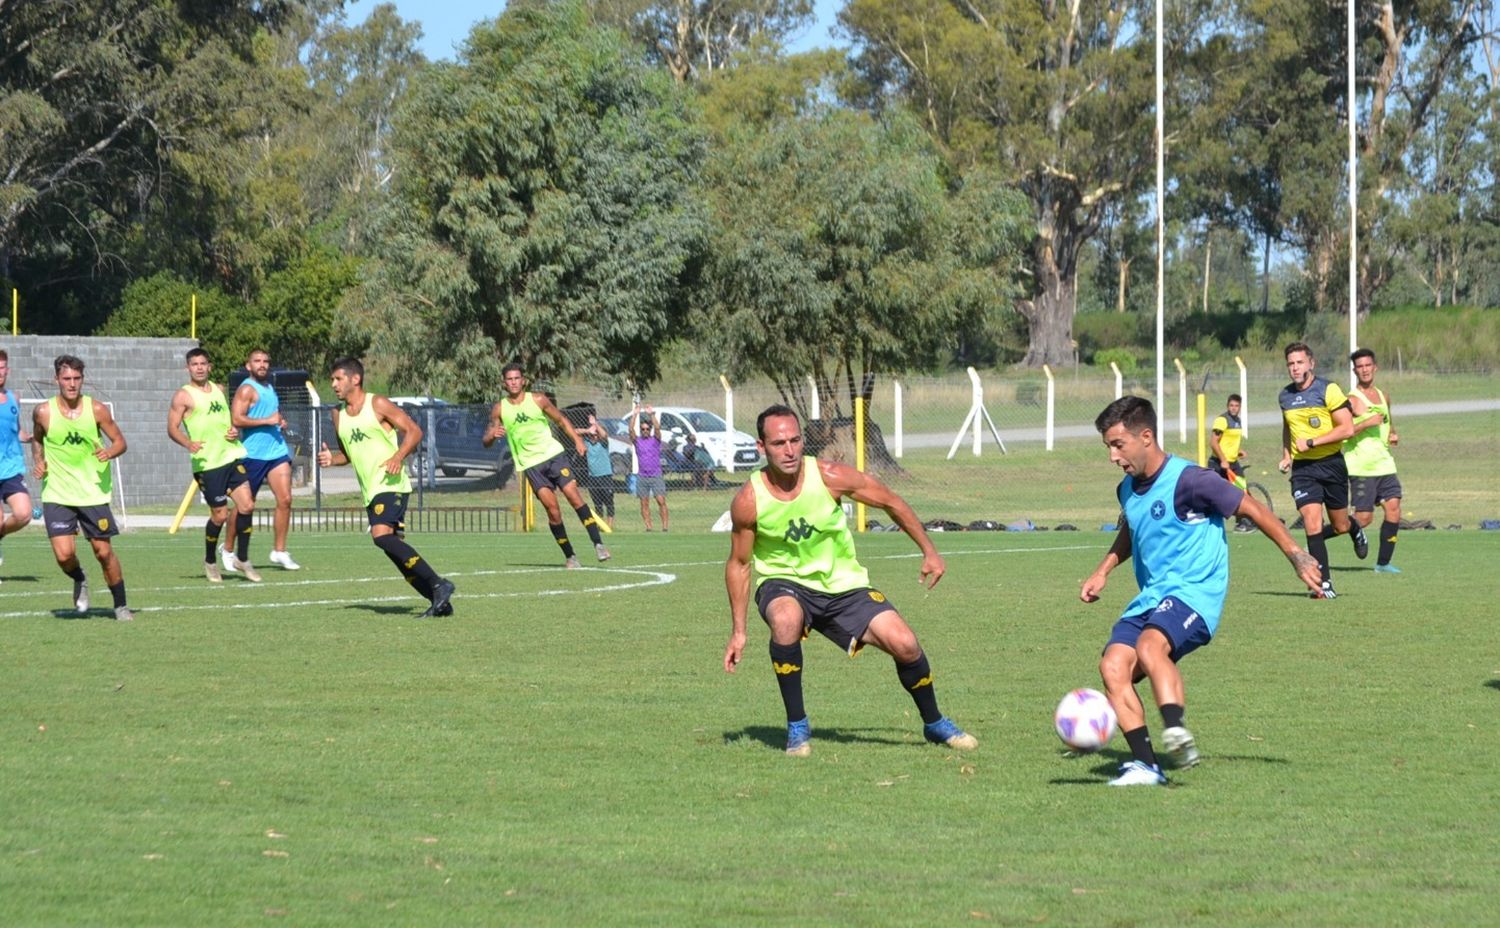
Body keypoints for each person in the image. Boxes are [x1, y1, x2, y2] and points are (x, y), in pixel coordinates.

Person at [1082, 397, 1322, 786]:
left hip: (1195, 592)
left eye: (1117, 444)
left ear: (1146, 437)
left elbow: (1254, 509)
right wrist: (1103, 570)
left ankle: (1175, 730)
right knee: (1112, 666)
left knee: (1149, 646)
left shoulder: (1191, 481)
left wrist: (1296, 554)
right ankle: (1146, 767)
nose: (1112, 455)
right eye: (1107, 446)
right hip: (1152, 596)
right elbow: (1132, 530)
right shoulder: (1126, 489)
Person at [722, 404, 977, 757]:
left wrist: (929, 551)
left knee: (905, 643)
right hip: (784, 582)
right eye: (779, 443)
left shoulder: (829, 476)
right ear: (761, 447)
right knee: (785, 620)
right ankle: (797, 726)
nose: (790, 450)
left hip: (844, 585)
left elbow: (891, 501)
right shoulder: (749, 500)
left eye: (795, 440)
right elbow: (739, 563)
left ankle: (933, 722)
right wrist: (739, 631)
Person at [315, 357, 455, 617]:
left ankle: (439, 583)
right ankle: (438, 601)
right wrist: (331, 459)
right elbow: (347, 454)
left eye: (338, 378)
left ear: (355, 379)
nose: (333, 384)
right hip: (370, 490)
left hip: (391, 484)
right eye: (332, 379)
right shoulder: (337, 415)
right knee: (393, 550)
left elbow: (414, 431)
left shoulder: (377, 403)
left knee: (381, 536)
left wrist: (397, 457)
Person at [31, 355, 135, 620]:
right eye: (67, 379)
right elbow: (38, 439)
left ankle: (120, 605)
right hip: (57, 491)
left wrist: (110, 452)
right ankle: (79, 578)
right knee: (64, 555)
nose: (72, 384)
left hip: (92, 491)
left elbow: (120, 441)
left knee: (103, 551)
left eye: (77, 378)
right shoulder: (43, 411)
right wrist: (38, 461)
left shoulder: (97, 409)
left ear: (83, 380)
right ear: (57, 380)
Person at [483, 363, 609, 568]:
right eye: (509, 379)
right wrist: (491, 435)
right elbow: (486, 440)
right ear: (504, 383)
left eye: (517, 378)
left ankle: (598, 544)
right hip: (531, 465)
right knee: (553, 511)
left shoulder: (538, 399)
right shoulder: (500, 409)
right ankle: (570, 556)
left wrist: (577, 440)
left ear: (523, 380)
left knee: (573, 496)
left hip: (553, 456)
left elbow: (561, 419)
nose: (514, 382)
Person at [1277, 341, 1367, 598]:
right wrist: (1287, 455)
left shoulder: (1328, 390)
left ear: (1311, 363)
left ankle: (1354, 528)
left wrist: (1312, 442)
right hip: (1304, 469)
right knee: (1312, 522)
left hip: (1332, 465)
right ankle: (1323, 584)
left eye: (1299, 362)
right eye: (1291, 364)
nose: (1295, 368)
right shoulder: (1285, 396)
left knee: (1339, 525)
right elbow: (1288, 427)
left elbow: (1347, 429)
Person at [167, 348, 258, 582]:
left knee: (247, 505)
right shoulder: (183, 396)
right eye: (194, 364)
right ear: (188, 368)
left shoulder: (219, 390)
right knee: (220, 516)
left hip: (230, 456)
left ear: (210, 366)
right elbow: (172, 428)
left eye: (203, 363)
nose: (199, 367)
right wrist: (188, 443)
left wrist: (233, 430)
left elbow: (227, 421)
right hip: (207, 464)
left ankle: (243, 559)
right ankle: (210, 561)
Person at [224, 349, 299, 574]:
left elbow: (271, 415)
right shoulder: (247, 389)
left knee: (285, 499)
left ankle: (279, 551)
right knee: (245, 506)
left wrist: (279, 422)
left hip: (276, 451)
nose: (262, 365)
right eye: (257, 361)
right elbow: (237, 418)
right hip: (252, 454)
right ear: (248, 366)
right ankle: (228, 549)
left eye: (266, 361)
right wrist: (268, 420)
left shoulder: (269, 387)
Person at [1344, 348, 1403, 574]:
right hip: (1361, 466)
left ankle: (1383, 563)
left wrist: (1392, 434)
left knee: (1394, 509)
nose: (1365, 370)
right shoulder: (1351, 400)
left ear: (1375, 367)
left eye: (1368, 365)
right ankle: (1317, 536)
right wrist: (1367, 423)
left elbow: (1388, 421)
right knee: (1363, 519)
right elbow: (1345, 431)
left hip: (1384, 464)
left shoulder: (1383, 395)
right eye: (1360, 366)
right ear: (1355, 370)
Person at [0, 349, 35, 575]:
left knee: (24, 514)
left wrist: (30, 437)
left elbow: (17, 431)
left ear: (7, 370)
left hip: (11, 469)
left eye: (2, 368)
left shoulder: (15, 399)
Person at [630, 404, 668, 531]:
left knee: (661, 500)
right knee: (644, 503)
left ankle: (665, 527)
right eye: (643, 429)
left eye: (647, 429)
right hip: (642, 476)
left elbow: (657, 427)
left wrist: (652, 415)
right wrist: (635, 414)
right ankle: (649, 527)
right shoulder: (637, 441)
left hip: (656, 475)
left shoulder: (655, 440)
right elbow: (630, 430)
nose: (645, 431)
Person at [582, 414, 616, 531]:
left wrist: (595, 424)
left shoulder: (603, 443)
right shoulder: (587, 443)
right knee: (597, 504)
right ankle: (600, 525)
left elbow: (605, 435)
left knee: (609, 501)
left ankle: (609, 526)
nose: (595, 436)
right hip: (593, 478)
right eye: (593, 434)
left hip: (605, 476)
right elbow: (573, 431)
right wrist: (588, 430)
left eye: (596, 434)